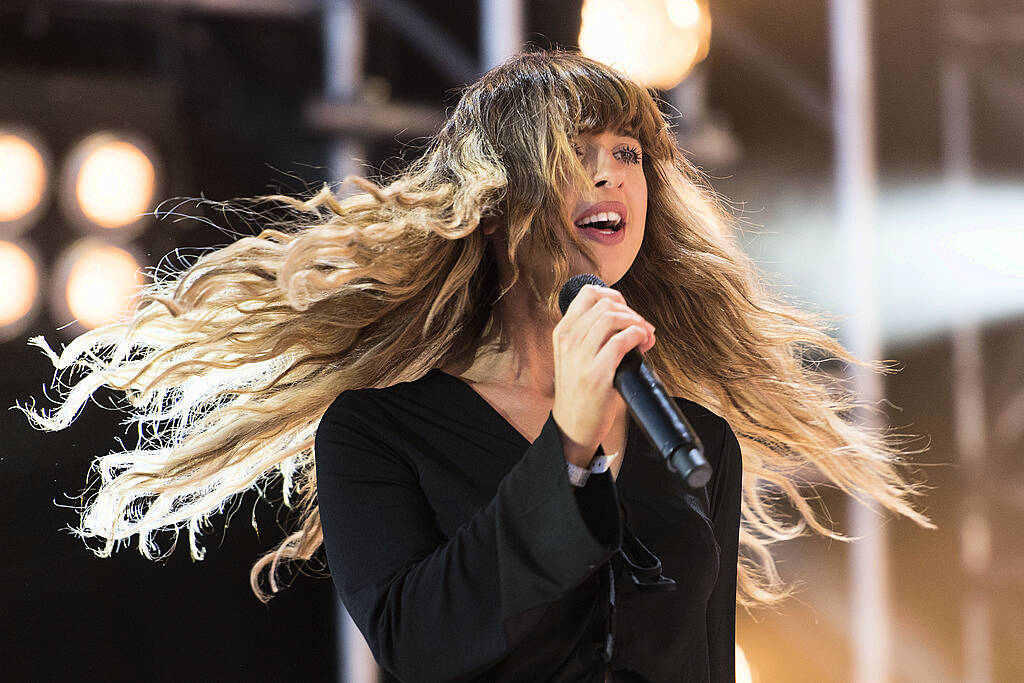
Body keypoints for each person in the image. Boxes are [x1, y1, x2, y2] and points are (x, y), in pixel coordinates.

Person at [19, 51, 932, 681]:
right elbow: (425, 640)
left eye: (630, 154)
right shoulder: (380, 432)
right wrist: (569, 446)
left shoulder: (696, 442)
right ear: (498, 200)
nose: (613, 174)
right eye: (577, 153)